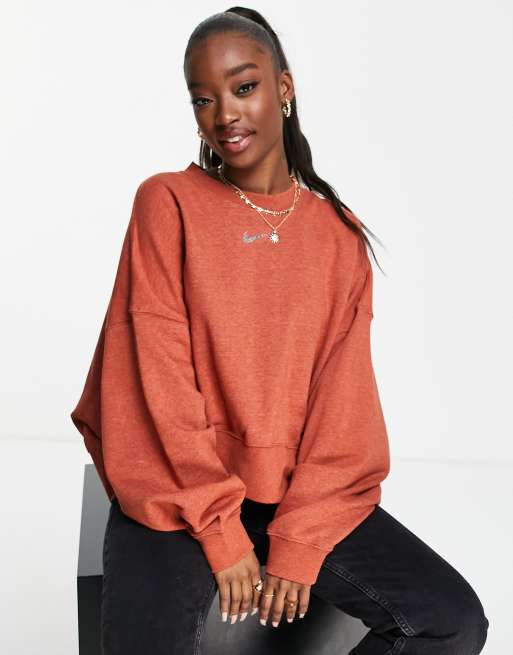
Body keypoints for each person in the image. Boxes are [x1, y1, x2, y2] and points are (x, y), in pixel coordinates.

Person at [70, 7, 489, 654]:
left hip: (294, 494)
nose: (224, 114)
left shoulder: (337, 236)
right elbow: (155, 375)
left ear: (283, 89)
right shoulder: (168, 202)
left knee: (451, 620)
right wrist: (220, 530)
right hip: (179, 487)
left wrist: (297, 542)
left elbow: (341, 407)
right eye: (203, 99)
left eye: (244, 87)